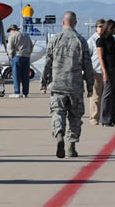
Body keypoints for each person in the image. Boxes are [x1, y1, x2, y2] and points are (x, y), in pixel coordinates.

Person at [40, 12, 94, 158]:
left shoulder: (55, 39)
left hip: (57, 85)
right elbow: (87, 66)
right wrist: (90, 86)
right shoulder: (81, 40)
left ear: (63, 22)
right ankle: (71, 146)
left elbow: (48, 62)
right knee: (75, 116)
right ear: (75, 23)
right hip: (75, 85)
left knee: (58, 112)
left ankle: (59, 135)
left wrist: (43, 82)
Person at [97, 20, 115, 127]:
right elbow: (101, 57)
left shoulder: (113, 40)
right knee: (107, 94)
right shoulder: (101, 40)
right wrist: (105, 71)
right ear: (110, 28)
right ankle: (105, 118)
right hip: (108, 69)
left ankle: (114, 118)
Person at [87, 19, 106, 125]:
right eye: (99, 26)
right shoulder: (92, 40)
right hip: (96, 71)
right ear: (96, 27)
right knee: (96, 96)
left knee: (105, 96)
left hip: (105, 71)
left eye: (103, 26)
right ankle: (94, 117)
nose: (101, 28)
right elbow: (87, 56)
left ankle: (104, 116)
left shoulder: (106, 39)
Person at [6, 25, 33, 98]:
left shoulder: (12, 36)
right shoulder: (26, 35)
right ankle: (25, 93)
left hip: (17, 56)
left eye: (9, 31)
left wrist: (11, 57)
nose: (9, 33)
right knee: (25, 76)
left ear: (12, 30)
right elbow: (31, 45)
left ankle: (17, 92)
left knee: (16, 75)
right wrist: (28, 53)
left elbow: (10, 47)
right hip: (26, 57)